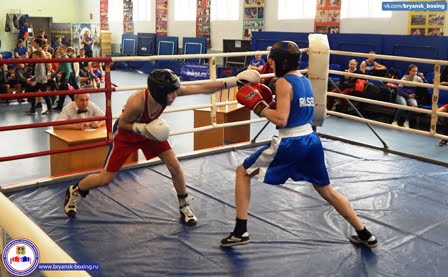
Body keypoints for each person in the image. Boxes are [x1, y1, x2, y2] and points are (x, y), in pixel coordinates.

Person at [220, 41, 378, 249]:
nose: (270, 64)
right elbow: (297, 110)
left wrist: (258, 106)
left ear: (282, 62)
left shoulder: (283, 82)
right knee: (326, 190)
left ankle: (240, 232)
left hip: (291, 141)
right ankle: (365, 234)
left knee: (242, 172)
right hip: (311, 141)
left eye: (273, 60)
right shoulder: (304, 80)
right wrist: (269, 104)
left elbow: (281, 120)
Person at [63, 68, 261, 227]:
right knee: (106, 178)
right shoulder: (136, 102)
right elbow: (122, 124)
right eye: (171, 93)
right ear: (159, 93)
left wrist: (235, 81)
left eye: (175, 91)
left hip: (151, 132)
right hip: (127, 134)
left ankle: (184, 205)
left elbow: (202, 88)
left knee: (174, 165)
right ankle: (76, 190)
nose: (176, 95)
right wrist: (142, 127)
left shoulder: (171, 91)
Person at [391, 64, 425, 128]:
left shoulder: (418, 78)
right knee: (403, 106)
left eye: (416, 71)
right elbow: (399, 91)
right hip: (401, 95)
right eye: (413, 71)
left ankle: (406, 122)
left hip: (411, 97)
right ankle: (395, 121)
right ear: (409, 71)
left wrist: (423, 78)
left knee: (414, 106)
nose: (415, 73)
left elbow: (426, 87)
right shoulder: (404, 78)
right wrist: (408, 95)